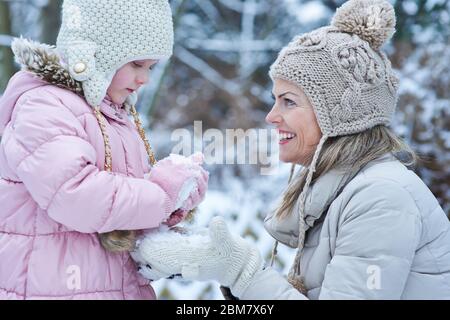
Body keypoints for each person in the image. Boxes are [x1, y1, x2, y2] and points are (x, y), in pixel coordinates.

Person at [132, 0, 450, 300]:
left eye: (289, 101)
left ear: (338, 115)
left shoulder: (381, 198)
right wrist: (213, 259)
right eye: (275, 99)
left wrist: (240, 270)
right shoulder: (344, 189)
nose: (272, 116)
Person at [0, 0, 208, 300]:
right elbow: (76, 195)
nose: (145, 79)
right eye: (136, 64)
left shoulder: (114, 115)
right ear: (93, 54)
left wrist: (177, 200)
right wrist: (161, 195)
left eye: (152, 67)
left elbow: (121, 209)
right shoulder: (43, 105)